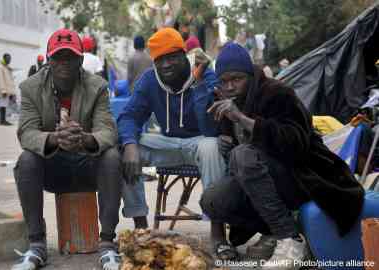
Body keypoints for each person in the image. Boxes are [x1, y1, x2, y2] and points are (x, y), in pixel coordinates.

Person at [200, 42, 365, 267]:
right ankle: (272, 234)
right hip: (264, 184)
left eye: (236, 79)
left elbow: (297, 142)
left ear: (250, 75)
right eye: (224, 81)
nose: (230, 86)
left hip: (303, 175)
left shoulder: (277, 93)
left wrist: (243, 120)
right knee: (212, 200)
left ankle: (290, 239)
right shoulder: (228, 101)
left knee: (243, 155)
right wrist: (224, 138)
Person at [12, 29, 122, 270]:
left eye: (69, 57)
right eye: (58, 57)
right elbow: (27, 132)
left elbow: (107, 131)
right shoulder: (31, 87)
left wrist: (85, 139)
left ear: (80, 60)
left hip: (87, 166)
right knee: (26, 160)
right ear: (48, 60)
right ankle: (37, 245)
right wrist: (54, 138)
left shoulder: (98, 87)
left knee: (112, 157)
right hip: (55, 169)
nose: (63, 63)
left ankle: (107, 244)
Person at [117, 28, 226, 223]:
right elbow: (129, 117)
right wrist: (130, 145)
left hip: (199, 146)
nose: (165, 65)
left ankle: (217, 227)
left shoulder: (205, 75)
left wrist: (199, 82)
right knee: (123, 148)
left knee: (212, 146)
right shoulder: (150, 79)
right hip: (167, 146)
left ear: (184, 55)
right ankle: (140, 227)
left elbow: (211, 128)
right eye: (159, 60)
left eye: (172, 57)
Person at [0, 53, 15, 126]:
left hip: (7, 91)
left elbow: (10, 80)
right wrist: (3, 90)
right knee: (2, 105)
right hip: (4, 91)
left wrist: (12, 92)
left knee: (4, 105)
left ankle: (3, 120)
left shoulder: (7, 68)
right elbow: (0, 80)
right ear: (4, 59)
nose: (9, 60)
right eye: (7, 58)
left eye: (10, 58)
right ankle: (2, 120)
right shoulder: (0, 68)